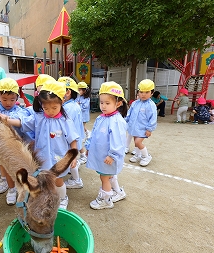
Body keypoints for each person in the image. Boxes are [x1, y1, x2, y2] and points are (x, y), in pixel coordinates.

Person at [2, 80, 79, 209]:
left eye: (54, 107)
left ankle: (62, 198)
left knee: (58, 180)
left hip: (58, 159)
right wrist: (7, 120)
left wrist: (74, 156)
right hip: (43, 157)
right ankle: (48, 198)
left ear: (62, 102)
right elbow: (23, 123)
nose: (50, 111)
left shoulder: (65, 120)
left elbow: (73, 140)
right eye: (46, 108)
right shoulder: (38, 117)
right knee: (44, 180)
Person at [85, 82, 128, 210]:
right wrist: (88, 147)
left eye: (107, 103)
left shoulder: (117, 120)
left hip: (108, 157)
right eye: (101, 102)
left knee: (104, 177)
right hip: (101, 155)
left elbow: (119, 141)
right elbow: (93, 134)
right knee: (108, 176)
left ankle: (106, 200)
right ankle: (118, 191)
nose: (103, 106)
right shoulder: (101, 117)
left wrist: (112, 155)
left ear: (118, 103)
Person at [0, 77, 28, 205]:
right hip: (1, 146)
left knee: (19, 168)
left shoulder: (19, 110)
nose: (8, 102)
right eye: (4, 99)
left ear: (17, 97)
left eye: (12, 99)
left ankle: (22, 190)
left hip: (17, 145)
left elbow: (20, 123)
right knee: (5, 168)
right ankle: (11, 189)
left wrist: (5, 119)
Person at [58, 77, 85, 189]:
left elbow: (66, 126)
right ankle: (75, 178)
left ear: (67, 92)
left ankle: (76, 180)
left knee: (70, 159)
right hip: (76, 137)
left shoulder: (68, 108)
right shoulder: (73, 104)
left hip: (71, 139)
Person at [125, 79, 157, 167]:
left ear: (152, 93)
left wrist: (149, 129)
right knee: (136, 141)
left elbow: (153, 118)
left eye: (147, 92)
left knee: (138, 142)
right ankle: (138, 155)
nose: (143, 94)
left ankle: (146, 156)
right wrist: (125, 121)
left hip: (143, 128)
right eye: (141, 92)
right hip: (134, 127)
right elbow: (129, 114)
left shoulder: (151, 105)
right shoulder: (135, 103)